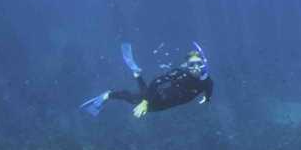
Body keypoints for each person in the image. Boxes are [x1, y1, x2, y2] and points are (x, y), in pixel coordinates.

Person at [80, 43, 213, 118]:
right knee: (135, 99)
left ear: (203, 64)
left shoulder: (206, 80)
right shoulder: (179, 74)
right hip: (160, 98)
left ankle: (137, 74)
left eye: (198, 64)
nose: (196, 68)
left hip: (168, 103)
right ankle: (108, 95)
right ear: (186, 66)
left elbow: (209, 86)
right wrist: (145, 102)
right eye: (192, 65)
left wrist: (207, 98)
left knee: (142, 95)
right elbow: (156, 82)